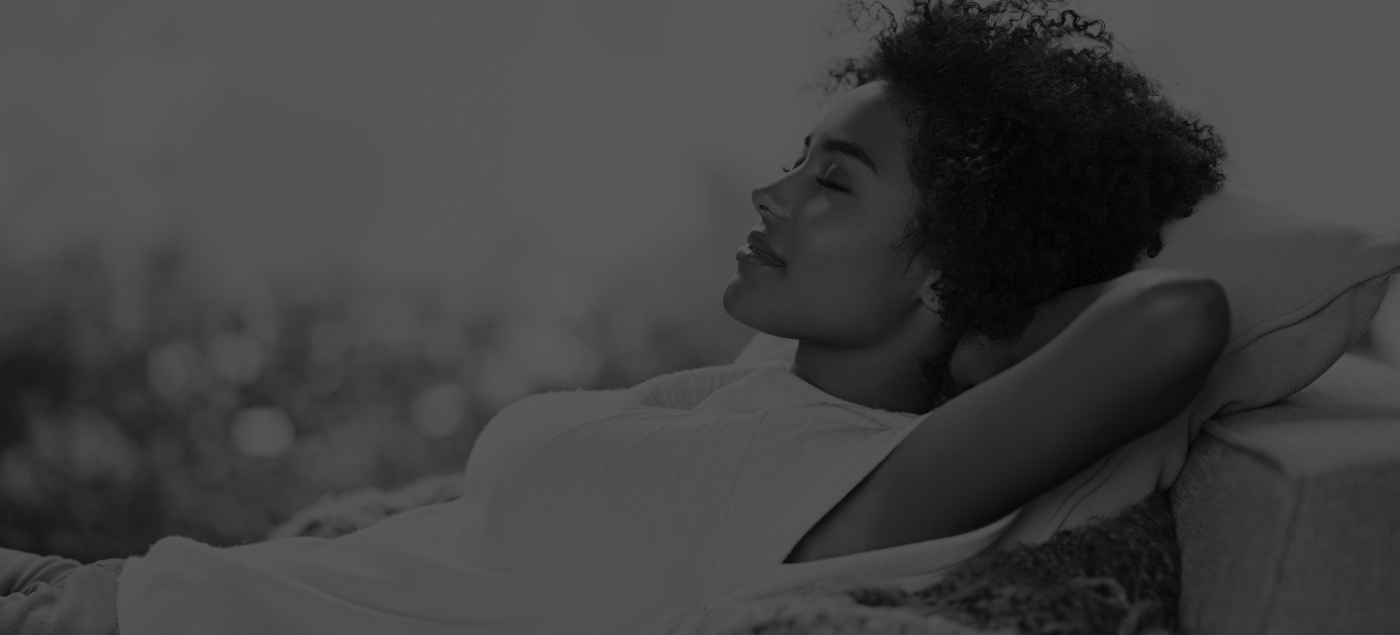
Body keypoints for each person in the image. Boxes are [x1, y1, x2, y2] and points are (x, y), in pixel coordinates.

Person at [0, 0, 1231, 633]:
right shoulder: (776, 388)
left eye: (833, 182)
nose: (772, 191)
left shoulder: (861, 487)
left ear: (950, 273)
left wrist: (998, 302)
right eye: (798, 156)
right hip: (103, 594)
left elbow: (1179, 316)